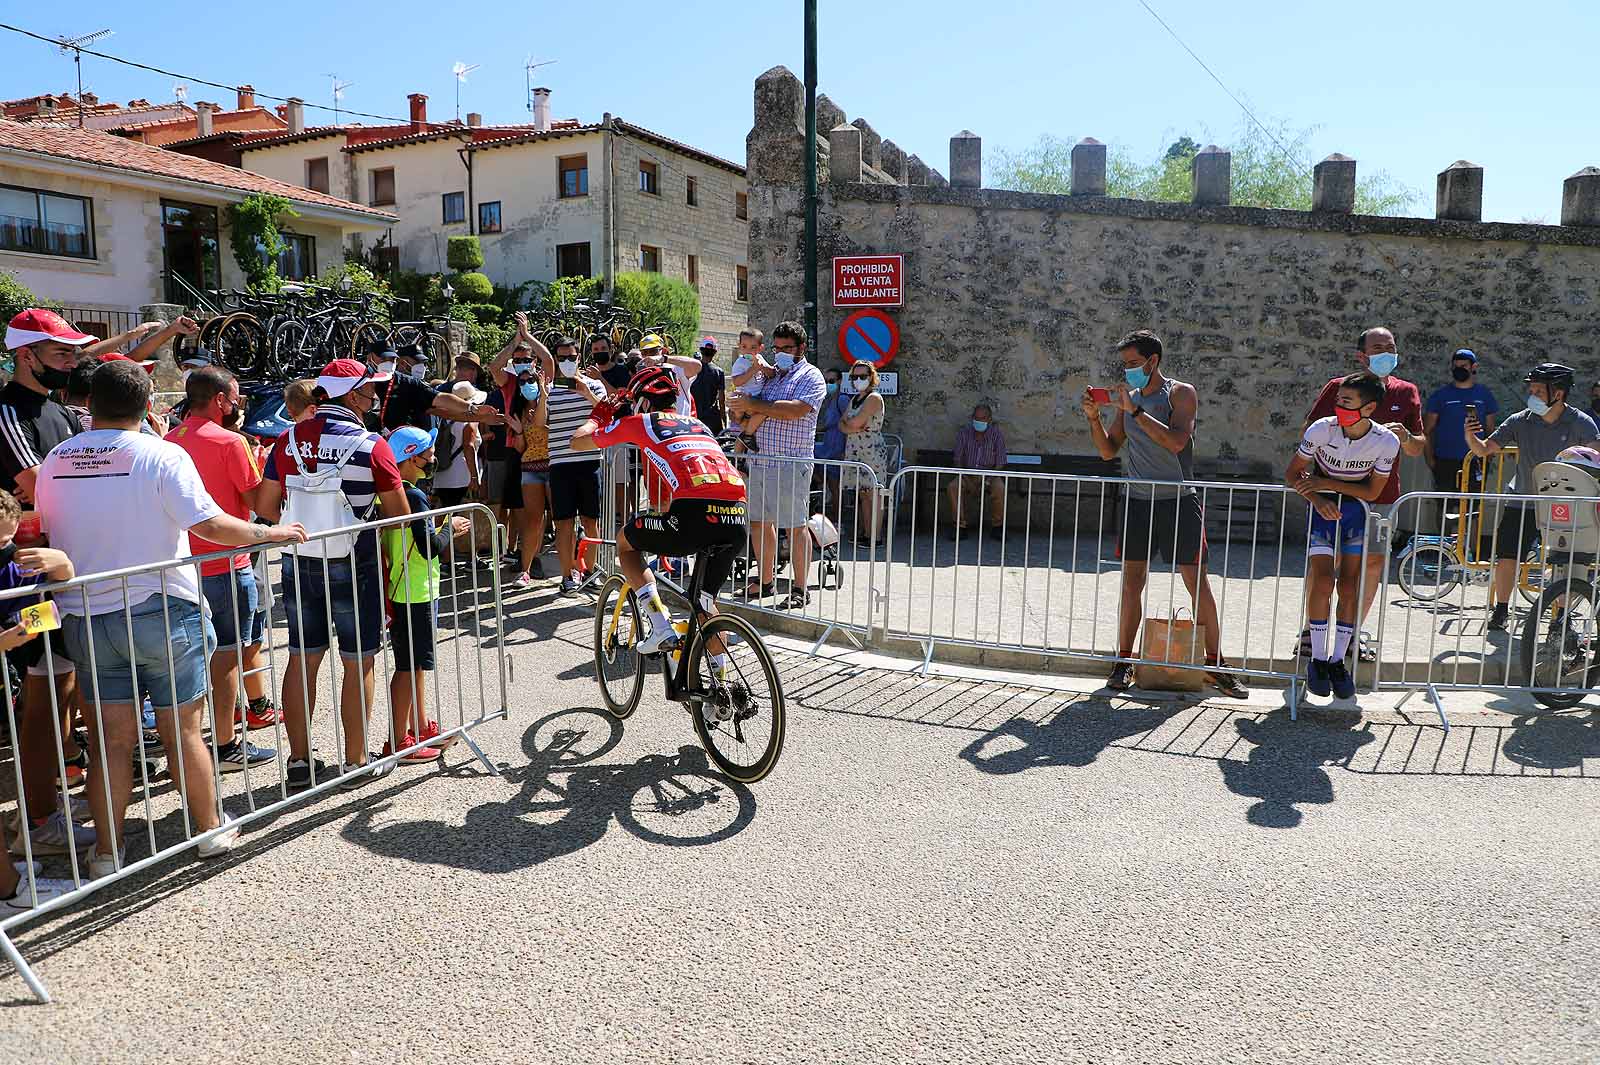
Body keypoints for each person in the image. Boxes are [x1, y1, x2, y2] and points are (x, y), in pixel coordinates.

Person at [35, 360, 306, 875]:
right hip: (161, 607)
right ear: (148, 406)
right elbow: (209, 524)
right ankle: (208, 830)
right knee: (183, 729)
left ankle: (106, 851)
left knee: (110, 740)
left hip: (88, 612)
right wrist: (271, 533)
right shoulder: (162, 455)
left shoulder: (55, 460)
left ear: (89, 404)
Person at [255, 358, 411, 791]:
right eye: (370, 390)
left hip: (300, 555)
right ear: (352, 396)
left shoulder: (286, 440)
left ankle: (300, 762)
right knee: (358, 659)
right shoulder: (371, 445)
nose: (376, 398)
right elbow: (397, 516)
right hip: (354, 558)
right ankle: (357, 760)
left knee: (302, 658)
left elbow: (267, 509)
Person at [1082, 330, 1248, 699]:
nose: (1127, 371)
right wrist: (1094, 418)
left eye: (1132, 363)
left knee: (1196, 584)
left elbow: (1176, 441)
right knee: (1131, 584)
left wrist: (1135, 411)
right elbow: (1109, 451)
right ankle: (1123, 661)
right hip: (1137, 501)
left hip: (1178, 500)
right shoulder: (1131, 400)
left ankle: (1217, 665)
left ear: (1152, 360)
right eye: (1124, 364)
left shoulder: (1179, 393)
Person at [570, 365, 747, 664]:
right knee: (705, 604)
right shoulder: (698, 424)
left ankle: (661, 626)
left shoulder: (641, 421)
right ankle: (723, 688)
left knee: (625, 542)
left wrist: (599, 414)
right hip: (736, 516)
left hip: (694, 515)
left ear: (644, 401)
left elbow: (578, 441)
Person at [0, 309, 95, 857]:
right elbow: (37, 484)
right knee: (44, 694)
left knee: (63, 690)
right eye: (62, 354)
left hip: (57, 570)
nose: (72, 362)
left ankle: (49, 803)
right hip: (32, 577)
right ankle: (37, 820)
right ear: (25, 356)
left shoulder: (56, 410)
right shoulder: (9, 410)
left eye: (74, 353)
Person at [163, 367, 276, 772]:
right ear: (220, 401)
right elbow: (260, 503)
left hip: (180, 565)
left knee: (185, 656)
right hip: (226, 562)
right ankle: (226, 744)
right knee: (227, 656)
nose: (239, 405)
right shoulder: (232, 442)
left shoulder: (168, 439)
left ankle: (184, 741)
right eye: (236, 398)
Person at [1299, 326, 1425, 659]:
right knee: (1327, 564)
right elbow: (1312, 432)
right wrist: (1317, 490)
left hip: (1379, 494)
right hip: (1333, 493)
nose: (1386, 352)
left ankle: (1351, 633)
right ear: (1362, 355)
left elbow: (1417, 447)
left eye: (1391, 345)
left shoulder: (1407, 392)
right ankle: (1312, 633)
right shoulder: (1340, 388)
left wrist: (1407, 438)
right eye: (1378, 346)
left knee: (1372, 564)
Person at [1286, 371, 1400, 700]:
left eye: (1347, 401)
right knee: (1322, 581)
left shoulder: (1386, 441)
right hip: (1322, 509)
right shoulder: (1322, 429)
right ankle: (1318, 661)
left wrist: (1327, 485)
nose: (1339, 406)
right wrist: (1318, 499)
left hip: (1355, 511)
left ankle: (1338, 661)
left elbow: (1373, 489)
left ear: (1369, 407)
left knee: (1349, 586)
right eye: (1338, 400)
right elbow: (1293, 473)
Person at [1465, 363, 1600, 631]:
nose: (1532, 394)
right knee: (1507, 556)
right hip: (1523, 500)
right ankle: (1501, 609)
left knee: (1567, 561)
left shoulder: (1581, 423)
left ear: (1558, 394)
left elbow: (1595, 460)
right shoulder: (1519, 420)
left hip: (1564, 505)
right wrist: (1470, 435)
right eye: (1531, 389)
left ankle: (1560, 617)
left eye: (1538, 390)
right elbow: (1484, 450)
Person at [381, 426, 473, 765]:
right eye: (428, 451)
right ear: (410, 457)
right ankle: (398, 740)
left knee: (416, 664)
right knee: (407, 666)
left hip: (412, 588)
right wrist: (451, 528)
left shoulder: (399, 492)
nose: (434, 456)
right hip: (413, 591)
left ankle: (419, 726)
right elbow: (430, 546)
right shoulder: (414, 496)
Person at [726, 321, 827, 609]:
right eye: (777, 348)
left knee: (795, 526)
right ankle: (766, 580)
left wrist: (755, 407)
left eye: (787, 348)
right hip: (760, 459)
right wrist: (739, 414)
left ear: (801, 348)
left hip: (791, 461)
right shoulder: (770, 376)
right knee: (759, 523)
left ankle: (799, 587)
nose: (781, 352)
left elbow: (797, 410)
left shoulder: (811, 376)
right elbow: (749, 415)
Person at [544, 340, 604, 595]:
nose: (567, 361)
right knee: (564, 524)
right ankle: (567, 575)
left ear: (579, 357)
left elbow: (607, 414)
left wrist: (586, 393)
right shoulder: (550, 388)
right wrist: (541, 393)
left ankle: (590, 571)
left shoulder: (594, 385)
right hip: (560, 464)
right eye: (562, 357)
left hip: (590, 462)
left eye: (571, 356)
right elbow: (540, 421)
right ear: (556, 359)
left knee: (591, 520)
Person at [365, 340, 503, 435]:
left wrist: (475, 411)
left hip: (403, 455)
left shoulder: (409, 384)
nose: (389, 363)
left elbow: (441, 403)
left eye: (392, 359)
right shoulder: (356, 380)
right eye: (384, 359)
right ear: (370, 357)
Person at [1424, 348, 1500, 500]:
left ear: (1473, 367)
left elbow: (1490, 429)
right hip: (1445, 460)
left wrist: (1488, 457)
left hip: (1475, 460)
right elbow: (1427, 430)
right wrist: (1430, 459)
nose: (1459, 370)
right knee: (1444, 506)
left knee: (1472, 507)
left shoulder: (1484, 395)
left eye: (1464, 366)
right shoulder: (1441, 396)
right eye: (1456, 366)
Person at [839, 361, 889, 544]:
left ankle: (875, 536)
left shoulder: (874, 398)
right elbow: (842, 424)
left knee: (874, 493)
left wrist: (851, 426)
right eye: (855, 377)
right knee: (863, 493)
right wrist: (853, 427)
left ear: (871, 377)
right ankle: (866, 533)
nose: (858, 380)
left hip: (871, 450)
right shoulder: (854, 399)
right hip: (855, 448)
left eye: (863, 376)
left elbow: (852, 423)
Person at [946, 403, 1008, 537]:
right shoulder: (964, 433)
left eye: (983, 418)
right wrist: (967, 480)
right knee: (953, 487)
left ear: (989, 419)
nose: (979, 421)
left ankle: (998, 527)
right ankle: (959, 527)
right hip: (967, 473)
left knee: (1000, 489)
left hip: (990, 474)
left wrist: (988, 481)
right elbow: (957, 460)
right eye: (976, 418)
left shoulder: (996, 434)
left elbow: (1000, 462)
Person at [432, 381, 483, 509]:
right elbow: (468, 447)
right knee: (458, 517)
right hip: (461, 477)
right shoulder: (470, 421)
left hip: (441, 474)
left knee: (444, 514)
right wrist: (474, 476)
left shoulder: (443, 417)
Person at [725, 328, 770, 448]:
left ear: (760, 348)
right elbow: (737, 381)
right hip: (744, 396)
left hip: (757, 397)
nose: (748, 351)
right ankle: (743, 431)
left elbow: (772, 373)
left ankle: (747, 435)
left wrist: (763, 367)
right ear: (739, 346)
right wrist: (753, 370)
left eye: (753, 347)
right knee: (739, 412)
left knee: (763, 412)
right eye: (744, 347)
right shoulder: (740, 363)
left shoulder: (760, 359)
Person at [689, 336, 728, 437]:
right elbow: (721, 400)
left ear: (701, 350)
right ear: (715, 352)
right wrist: (724, 419)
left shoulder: (691, 369)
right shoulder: (719, 372)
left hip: (693, 417)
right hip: (712, 420)